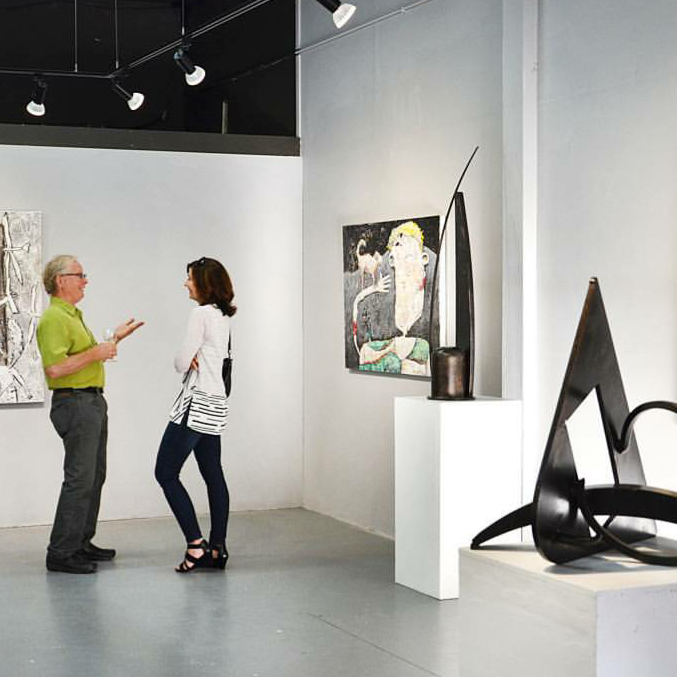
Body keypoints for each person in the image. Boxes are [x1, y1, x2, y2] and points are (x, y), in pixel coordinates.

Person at [37, 255, 143, 574]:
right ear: (61, 280)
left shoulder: (73, 316)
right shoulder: (53, 318)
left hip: (91, 401)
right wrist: (97, 352)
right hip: (75, 404)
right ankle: (61, 552)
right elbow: (55, 368)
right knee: (80, 478)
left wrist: (114, 340)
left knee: (94, 475)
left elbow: (84, 356)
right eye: (80, 275)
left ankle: (80, 542)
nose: (85, 280)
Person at [155, 257, 235, 573]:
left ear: (204, 283)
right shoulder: (223, 315)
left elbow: (180, 361)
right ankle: (218, 548)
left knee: (165, 472)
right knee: (213, 473)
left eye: (189, 278)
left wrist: (187, 359)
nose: (186, 283)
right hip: (216, 403)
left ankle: (195, 545)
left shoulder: (200, 314)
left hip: (196, 403)